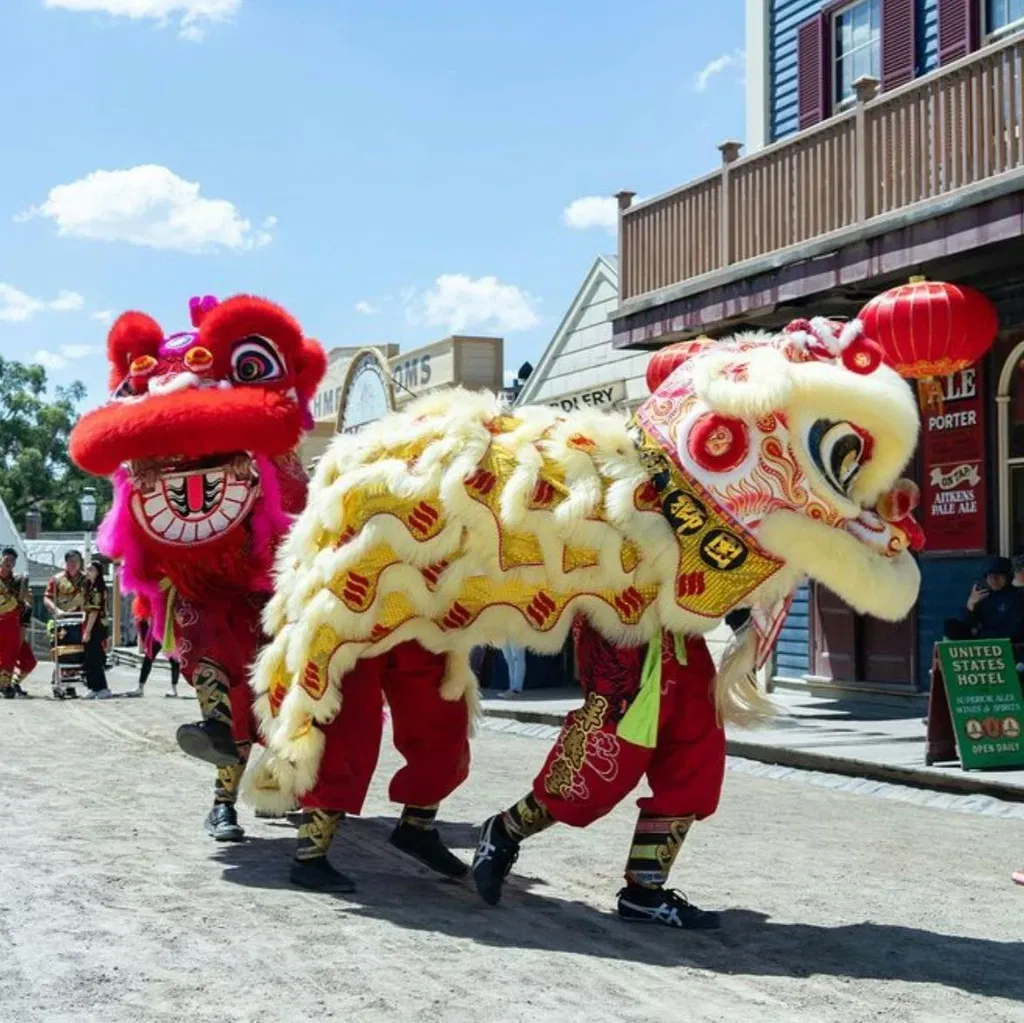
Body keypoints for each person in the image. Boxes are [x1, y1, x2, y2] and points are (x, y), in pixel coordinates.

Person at [471, 617, 725, 930]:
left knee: (695, 758)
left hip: (682, 633)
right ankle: (504, 830)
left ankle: (644, 893)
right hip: (619, 622)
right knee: (599, 767)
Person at [944, 558, 1024, 645]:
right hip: (983, 644)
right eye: (990, 576)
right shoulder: (983, 596)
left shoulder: (1018, 596)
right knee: (950, 625)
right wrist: (970, 605)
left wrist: (981, 635)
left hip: (1008, 645)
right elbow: (970, 626)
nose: (994, 580)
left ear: (1008, 576)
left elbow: (1012, 630)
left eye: (999, 575)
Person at [0, 547, 31, 699]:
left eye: (12, 560)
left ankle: (7, 684)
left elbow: (24, 603)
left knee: (10, 655)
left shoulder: (18, 580)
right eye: (6, 559)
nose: (8, 562)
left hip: (12, 622)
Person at [82, 561, 112, 699]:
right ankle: (93, 687)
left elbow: (94, 612)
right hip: (89, 623)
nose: (87, 571)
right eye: (87, 569)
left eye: (91, 569)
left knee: (94, 658)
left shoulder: (98, 589)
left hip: (96, 626)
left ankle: (102, 688)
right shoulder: (88, 587)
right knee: (88, 658)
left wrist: (87, 631)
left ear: (98, 572)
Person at [132, 610, 180, 698]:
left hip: (169, 630)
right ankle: (140, 687)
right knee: (148, 658)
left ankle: (174, 688)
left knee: (174, 659)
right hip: (156, 630)